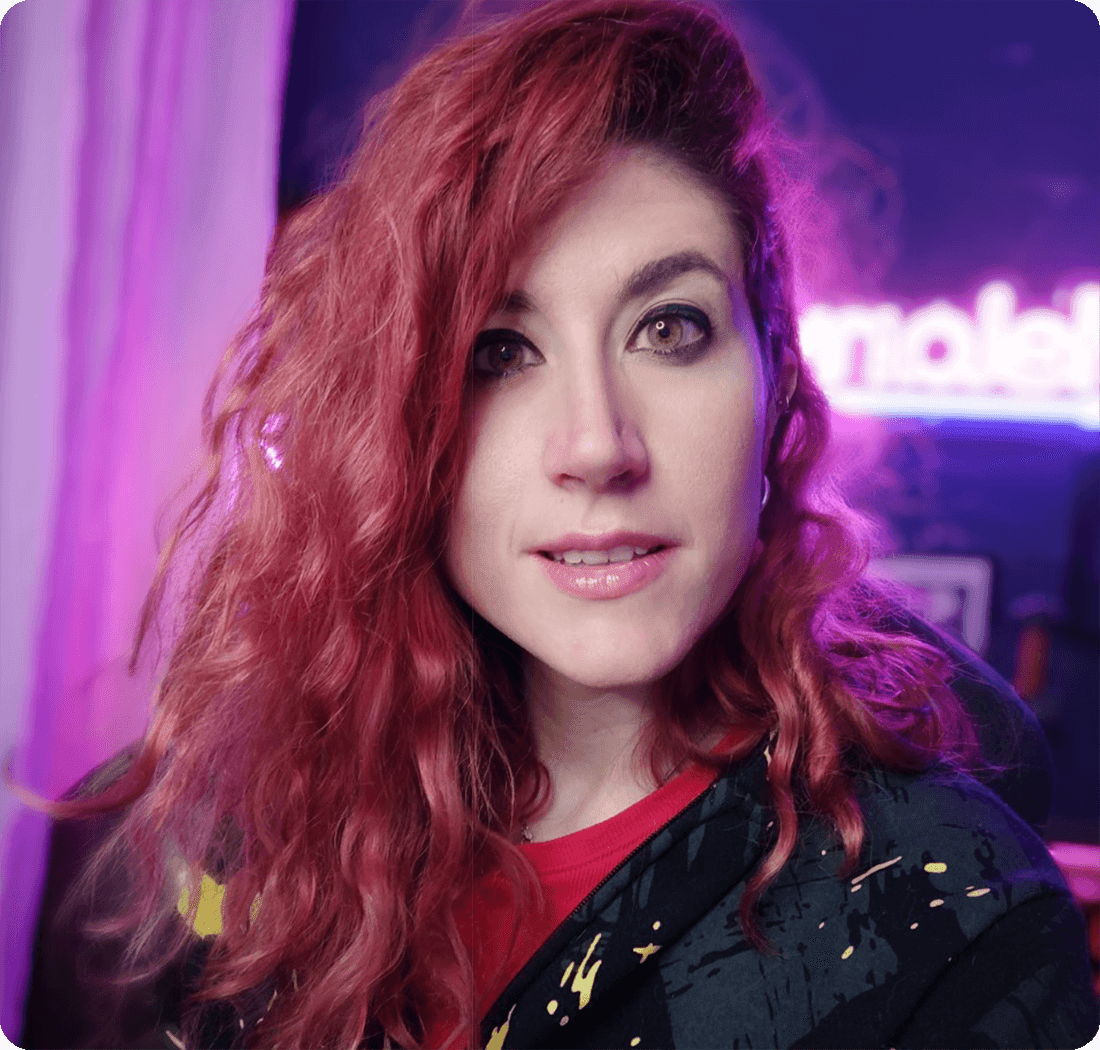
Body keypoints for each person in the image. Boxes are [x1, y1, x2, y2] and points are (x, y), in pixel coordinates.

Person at [19, 2, 1097, 1048]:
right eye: (499, 351)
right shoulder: (193, 849)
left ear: (774, 382)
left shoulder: (951, 926)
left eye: (668, 328)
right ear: (395, 425)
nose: (595, 444)